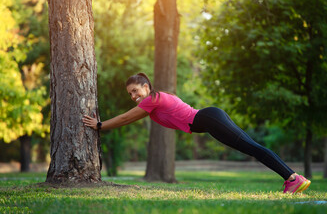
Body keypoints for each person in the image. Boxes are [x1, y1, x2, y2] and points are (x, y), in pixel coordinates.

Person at [82, 73, 311, 194]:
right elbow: (131, 116)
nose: (133, 96)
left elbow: (125, 118)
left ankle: (292, 178)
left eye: (135, 91)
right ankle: (292, 178)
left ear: (146, 86)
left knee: (251, 147)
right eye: (129, 94)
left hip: (208, 118)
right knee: (251, 146)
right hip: (210, 120)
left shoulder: (153, 99)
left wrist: (100, 125)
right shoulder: (154, 103)